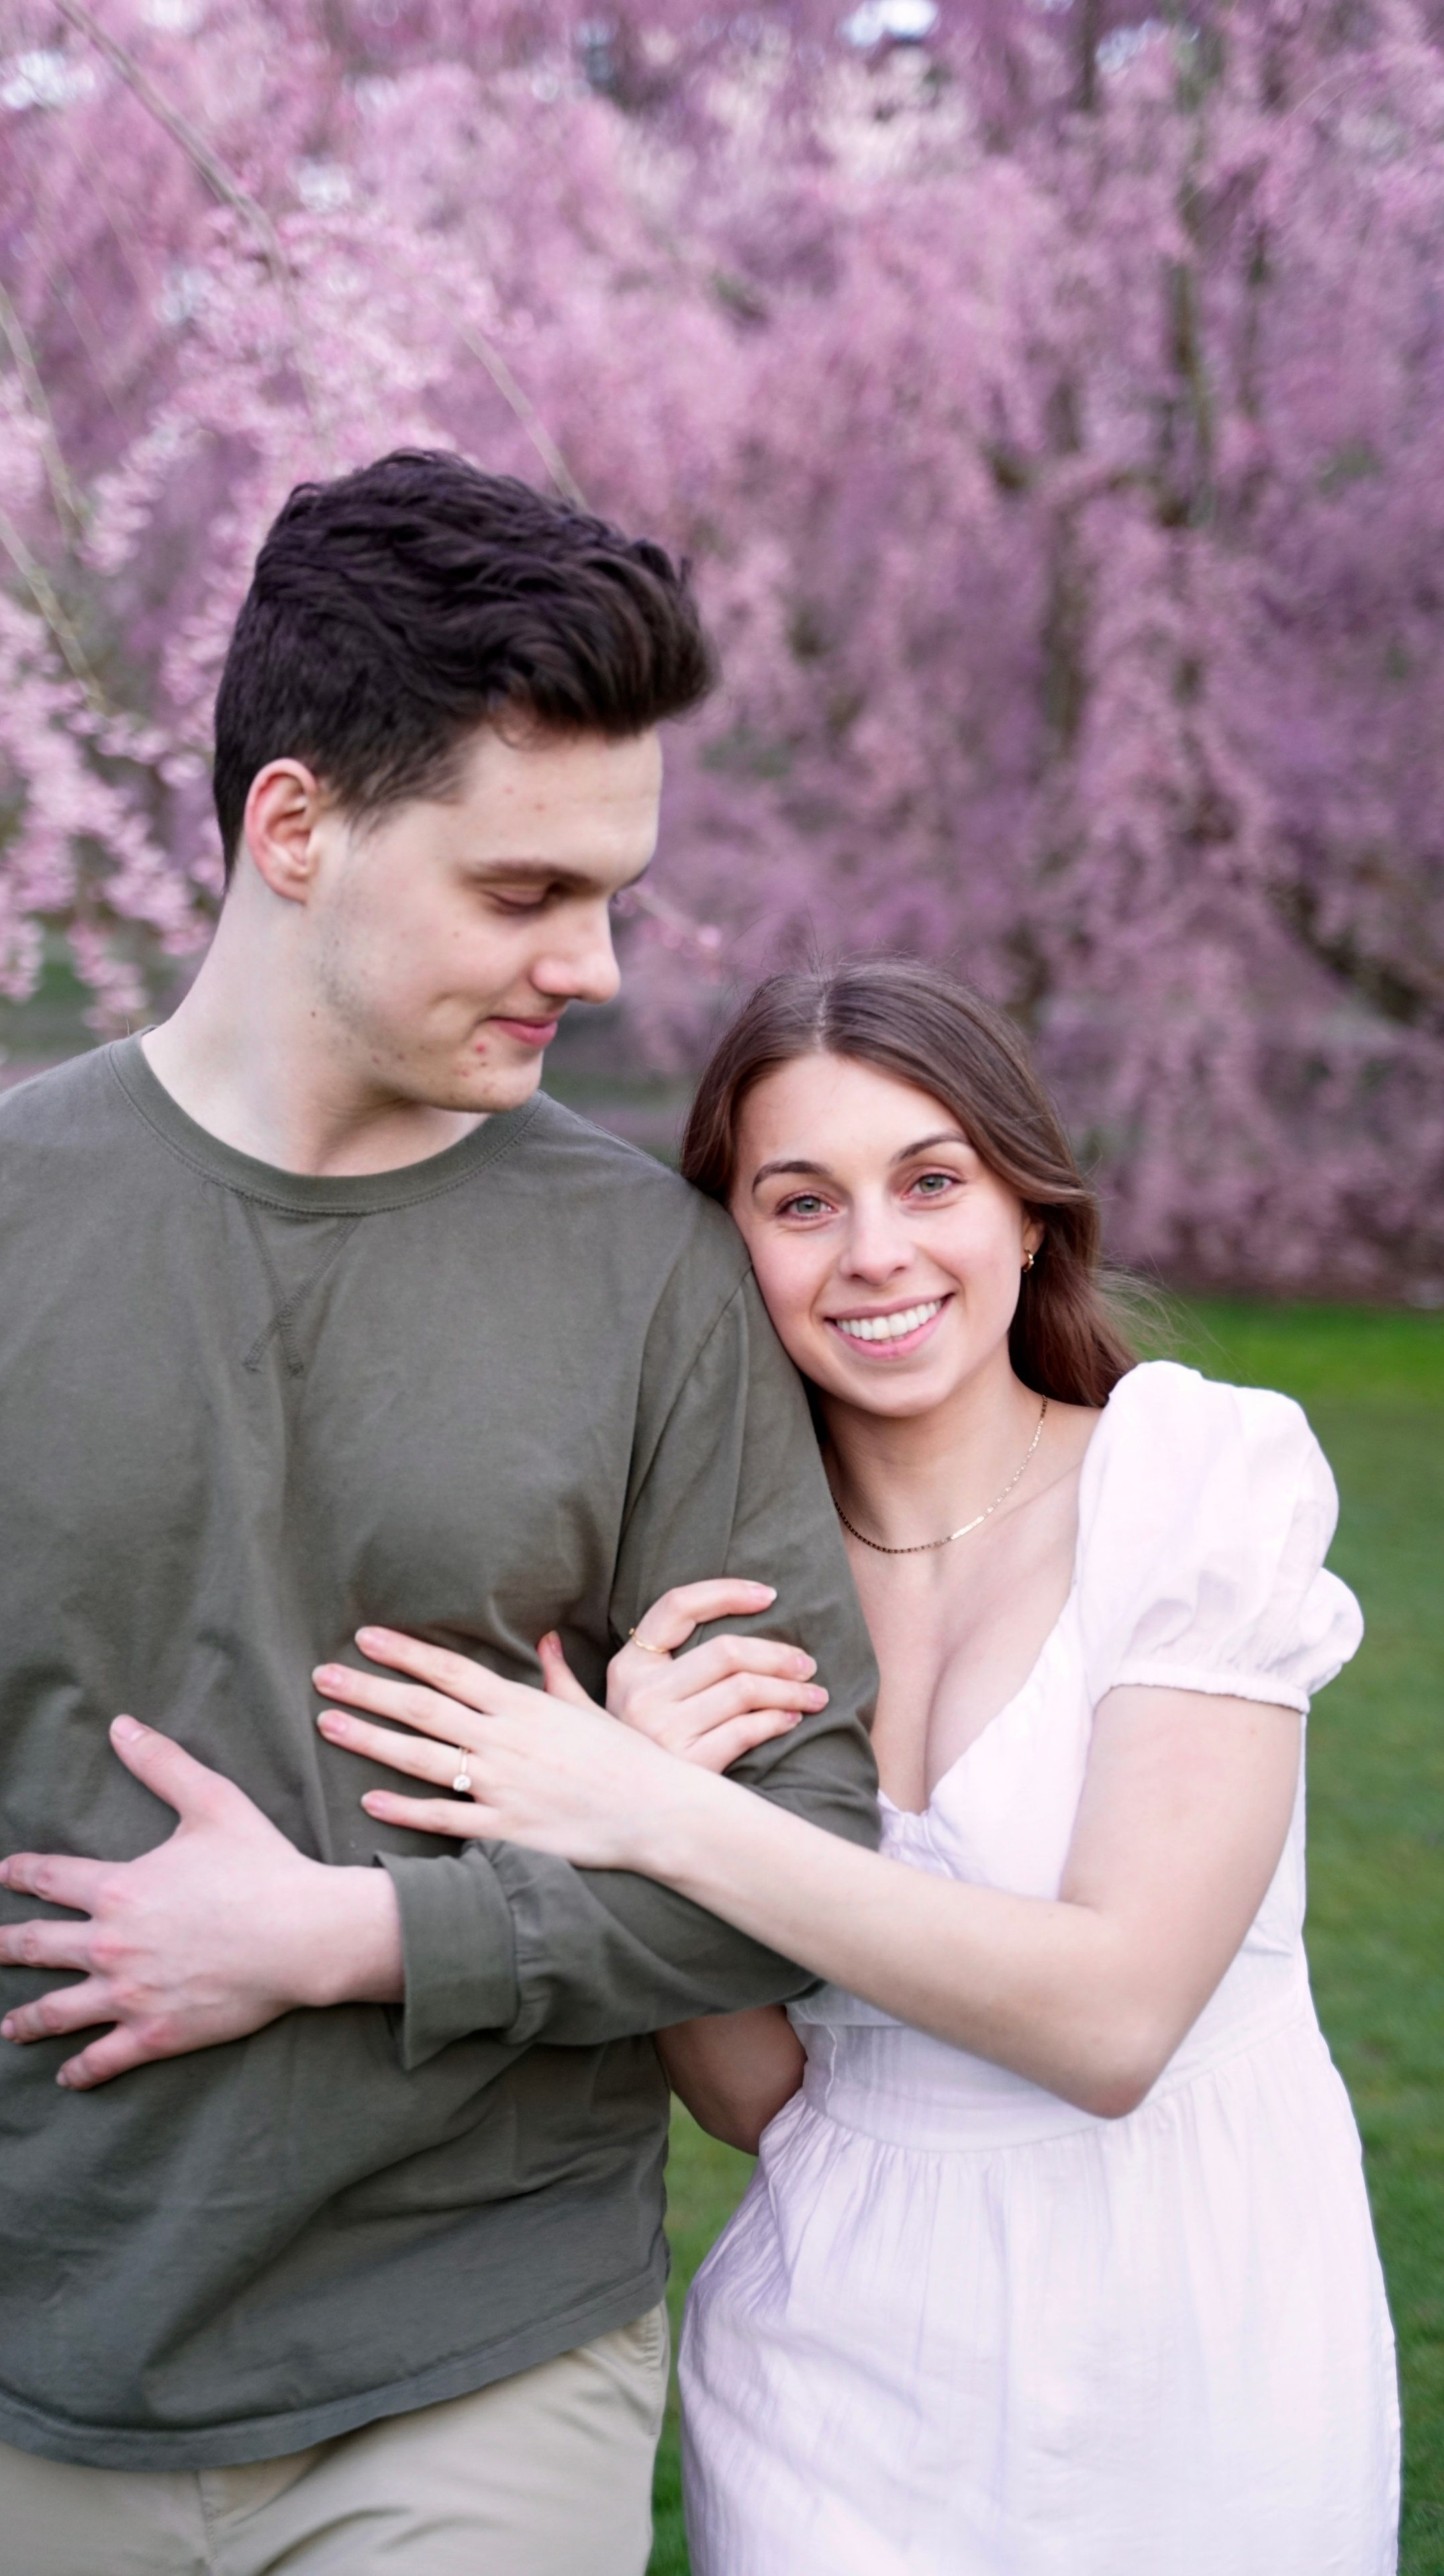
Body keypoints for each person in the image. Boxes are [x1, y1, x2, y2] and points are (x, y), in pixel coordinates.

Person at [0, 454, 885, 2576]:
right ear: (294, 828)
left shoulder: (650, 1275)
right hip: (24, 2338)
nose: (599, 966)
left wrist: (383, 1935)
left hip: (480, 2342)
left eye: (612, 890)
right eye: (525, 892)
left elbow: (804, 1856)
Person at [313, 958, 1403, 2575]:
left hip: (1194, 2340)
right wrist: (633, 1831)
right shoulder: (718, 1593)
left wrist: (657, 1811)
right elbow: (759, 2093)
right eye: (799, 1200)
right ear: (729, 1248)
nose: (874, 1250)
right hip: (827, 2364)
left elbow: (1111, 2020)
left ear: (1025, 1212)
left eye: (930, 1179)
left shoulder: (1190, 1479)